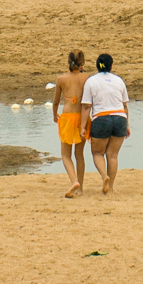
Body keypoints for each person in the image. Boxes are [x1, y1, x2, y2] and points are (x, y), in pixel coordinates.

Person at [81, 53, 130, 195]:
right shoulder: (119, 81)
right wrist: (127, 125)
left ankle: (104, 176)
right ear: (111, 65)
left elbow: (86, 106)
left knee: (97, 153)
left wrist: (83, 126)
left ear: (97, 65)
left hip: (101, 118)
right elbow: (124, 106)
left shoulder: (91, 81)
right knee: (113, 155)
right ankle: (111, 187)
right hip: (120, 118)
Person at [53, 51, 90, 197]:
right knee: (79, 154)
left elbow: (56, 101)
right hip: (81, 117)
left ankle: (74, 181)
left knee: (65, 155)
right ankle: (80, 187)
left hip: (68, 117)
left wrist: (54, 114)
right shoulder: (86, 78)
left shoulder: (61, 79)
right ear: (82, 63)